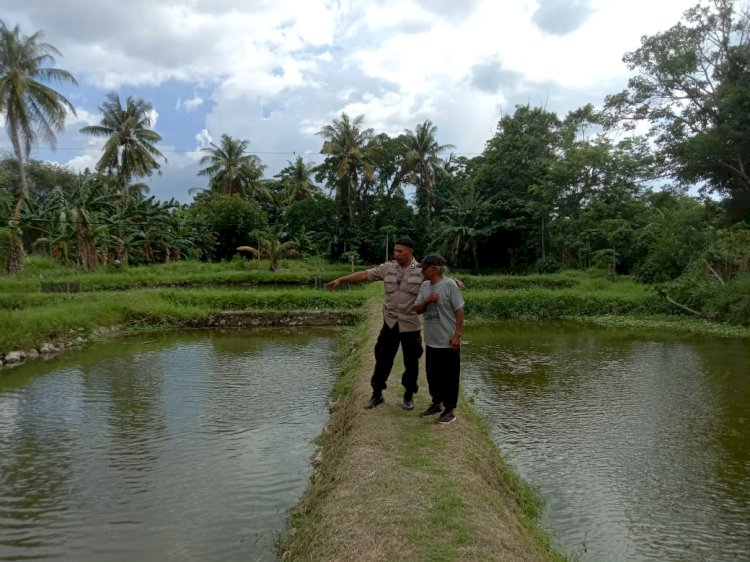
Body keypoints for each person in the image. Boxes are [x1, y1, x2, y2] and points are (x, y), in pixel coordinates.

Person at [325, 235, 424, 410]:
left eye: (400, 251)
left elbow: (439, 279)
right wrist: (342, 280)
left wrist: (453, 282)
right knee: (383, 359)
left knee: (411, 362)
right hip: (390, 323)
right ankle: (377, 394)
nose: (396, 254)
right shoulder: (387, 268)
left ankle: (408, 395)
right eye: (395, 250)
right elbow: (365, 275)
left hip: (411, 324)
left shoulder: (421, 270)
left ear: (410, 252)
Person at [414, 254, 465, 425]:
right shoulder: (425, 286)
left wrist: (457, 335)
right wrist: (428, 300)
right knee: (433, 376)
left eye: (424, 268)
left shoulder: (449, 285)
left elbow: (459, 310)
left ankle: (450, 410)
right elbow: (417, 309)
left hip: (448, 340)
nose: (422, 271)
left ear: (434, 269)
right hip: (431, 340)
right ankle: (437, 404)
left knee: (450, 376)